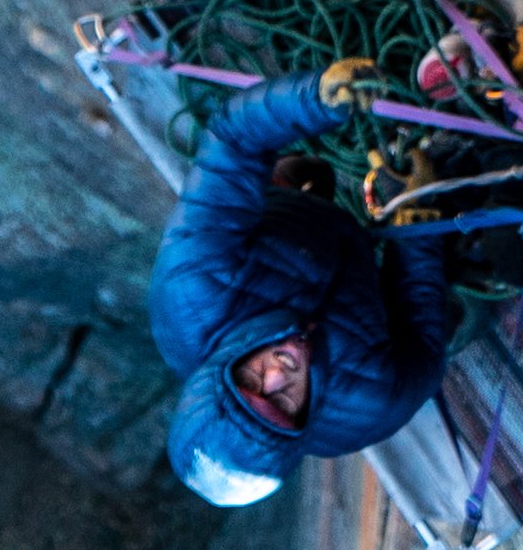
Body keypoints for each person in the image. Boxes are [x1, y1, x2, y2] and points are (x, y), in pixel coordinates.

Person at [146, 62, 455, 504]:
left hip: (291, 215)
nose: (278, 374)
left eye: (250, 381)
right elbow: (425, 340)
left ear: (219, 374)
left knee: (307, 170)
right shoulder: (371, 408)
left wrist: (315, 97)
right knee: (465, 294)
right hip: (365, 282)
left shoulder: (193, 282)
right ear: (300, 428)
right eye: (284, 405)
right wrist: (417, 226)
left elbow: (233, 139)